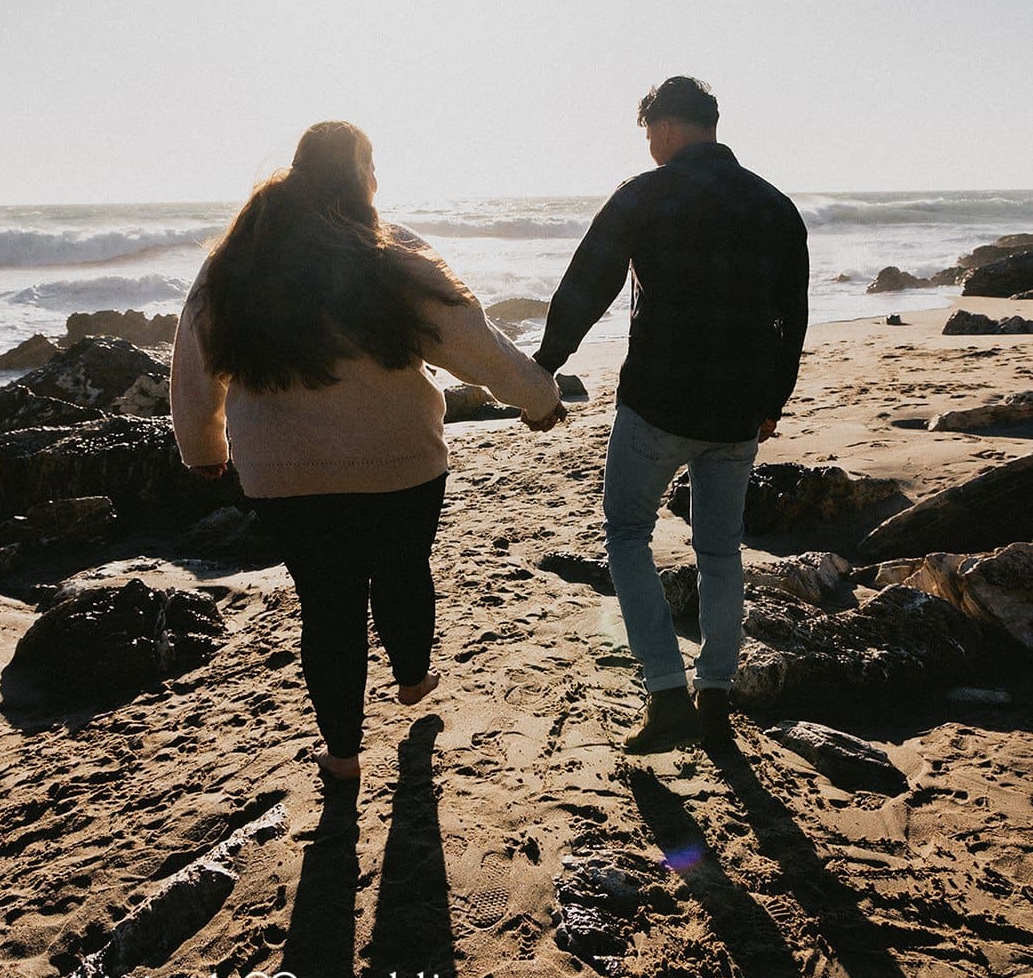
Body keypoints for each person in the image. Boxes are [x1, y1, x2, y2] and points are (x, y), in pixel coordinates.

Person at [171, 121, 564, 785]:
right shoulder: (392, 252)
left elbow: (194, 357)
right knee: (403, 569)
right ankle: (412, 678)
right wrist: (538, 397)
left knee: (329, 608)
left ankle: (344, 755)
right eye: (371, 166)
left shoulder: (235, 261)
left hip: (286, 474)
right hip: (400, 461)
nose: (377, 179)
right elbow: (471, 339)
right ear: (359, 177)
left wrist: (202, 445)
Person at [534, 77, 808, 750]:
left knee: (627, 534)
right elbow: (792, 317)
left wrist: (544, 367)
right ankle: (714, 695)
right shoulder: (774, 206)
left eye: (649, 133)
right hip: (738, 411)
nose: (650, 146)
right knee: (719, 550)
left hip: (657, 403)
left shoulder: (645, 194)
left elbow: (589, 282)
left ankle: (665, 693)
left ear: (664, 127)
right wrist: (773, 401)